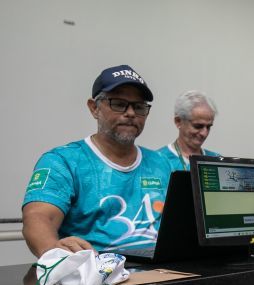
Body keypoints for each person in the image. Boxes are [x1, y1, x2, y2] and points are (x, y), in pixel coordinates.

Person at [22, 65, 174, 257]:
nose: (130, 113)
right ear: (94, 108)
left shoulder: (161, 164)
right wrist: (54, 252)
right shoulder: (62, 162)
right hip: (98, 276)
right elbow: (38, 217)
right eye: (118, 104)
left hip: (163, 273)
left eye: (139, 107)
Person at [157, 90, 220, 171]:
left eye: (208, 127)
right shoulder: (158, 160)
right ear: (178, 121)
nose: (204, 133)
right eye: (198, 126)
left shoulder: (216, 161)